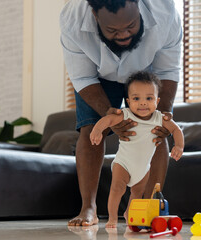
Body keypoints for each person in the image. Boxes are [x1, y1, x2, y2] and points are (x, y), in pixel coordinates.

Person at [60, 0, 182, 226]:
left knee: (157, 129)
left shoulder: (165, 11)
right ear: (95, 15)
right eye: (113, 30)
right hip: (97, 76)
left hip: (147, 70)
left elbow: (168, 69)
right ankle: (89, 208)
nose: (124, 34)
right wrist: (109, 115)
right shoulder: (72, 19)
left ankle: (148, 207)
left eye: (131, 25)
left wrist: (162, 115)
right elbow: (83, 78)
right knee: (90, 129)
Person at [90, 71, 184, 228]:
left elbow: (176, 130)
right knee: (117, 189)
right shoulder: (126, 115)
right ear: (128, 101)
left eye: (149, 98)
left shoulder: (160, 118)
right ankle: (112, 218)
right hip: (124, 163)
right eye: (136, 98)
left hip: (143, 167)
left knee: (137, 194)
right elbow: (108, 120)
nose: (142, 103)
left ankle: (129, 214)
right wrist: (97, 130)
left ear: (157, 100)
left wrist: (179, 145)